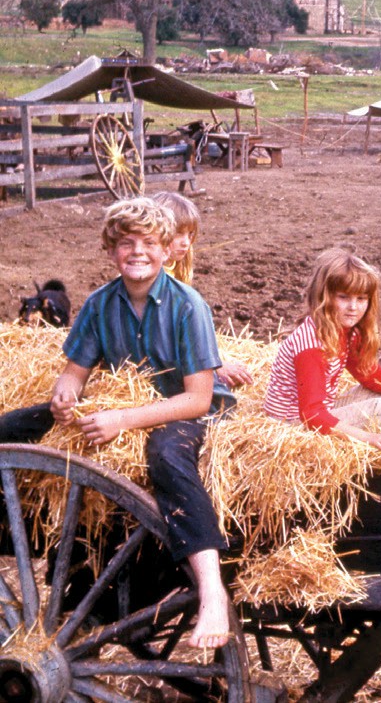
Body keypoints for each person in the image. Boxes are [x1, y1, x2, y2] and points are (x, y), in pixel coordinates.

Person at [0, 197, 236, 648]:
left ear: (168, 250)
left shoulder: (189, 306)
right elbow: (74, 372)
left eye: (149, 243)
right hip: (121, 404)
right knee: (11, 426)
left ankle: (211, 590)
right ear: (111, 252)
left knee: (167, 455)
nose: (138, 252)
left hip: (186, 410)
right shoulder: (100, 304)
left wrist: (123, 419)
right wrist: (65, 395)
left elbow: (198, 398)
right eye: (126, 244)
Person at [263, 248, 381, 448]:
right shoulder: (311, 344)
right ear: (324, 296)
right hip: (292, 425)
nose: (353, 307)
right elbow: (311, 414)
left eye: (361, 299)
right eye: (344, 297)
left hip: (321, 411)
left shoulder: (345, 329)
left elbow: (367, 372)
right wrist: (367, 438)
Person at [152, 191, 252, 389]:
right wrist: (213, 368)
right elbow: (166, 340)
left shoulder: (173, 270)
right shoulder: (154, 281)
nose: (186, 243)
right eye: (178, 233)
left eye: (189, 235)